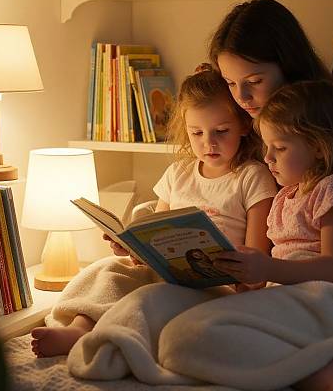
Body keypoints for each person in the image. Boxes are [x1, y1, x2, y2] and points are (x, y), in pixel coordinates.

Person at [31, 66, 277, 358]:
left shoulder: (252, 177)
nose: (208, 142)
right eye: (196, 132)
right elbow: (156, 234)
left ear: (244, 125)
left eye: (221, 131)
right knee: (106, 270)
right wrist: (132, 248)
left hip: (217, 288)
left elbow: (256, 264)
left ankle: (112, 336)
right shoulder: (178, 174)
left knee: (150, 298)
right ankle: (81, 327)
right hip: (168, 275)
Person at [209, 0, 333, 286]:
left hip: (313, 277)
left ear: (287, 67)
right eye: (230, 83)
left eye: (254, 82)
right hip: (247, 271)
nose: (241, 97)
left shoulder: (327, 130)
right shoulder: (229, 126)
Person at [214, 80, 333, 391]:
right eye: (267, 147)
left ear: (319, 147)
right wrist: (246, 274)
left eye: (280, 148)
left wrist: (269, 269)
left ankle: (324, 370)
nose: (268, 158)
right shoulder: (286, 197)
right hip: (293, 292)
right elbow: (279, 264)